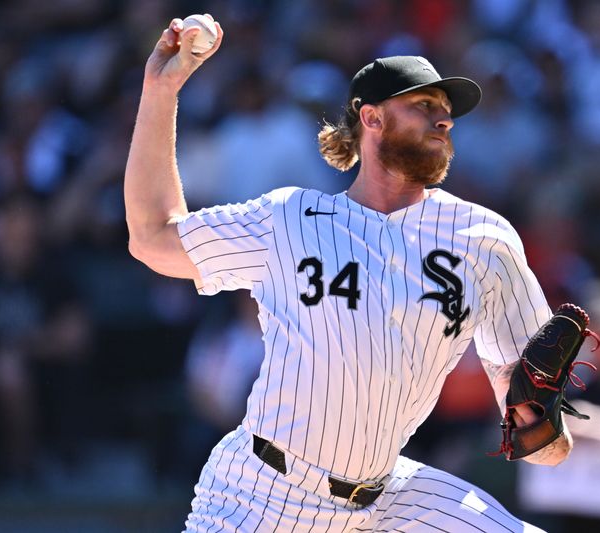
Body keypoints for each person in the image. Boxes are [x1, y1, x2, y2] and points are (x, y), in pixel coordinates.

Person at [124, 15, 569, 532]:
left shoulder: (484, 239)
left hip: (389, 498)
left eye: (447, 112)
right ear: (372, 118)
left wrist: (540, 424)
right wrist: (161, 88)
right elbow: (153, 235)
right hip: (264, 494)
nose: (444, 120)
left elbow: (545, 448)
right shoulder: (289, 218)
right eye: (424, 106)